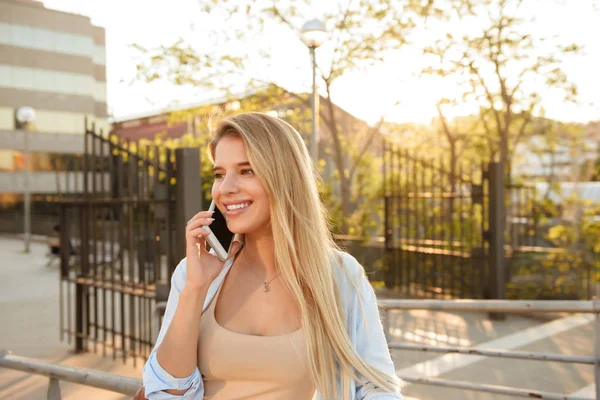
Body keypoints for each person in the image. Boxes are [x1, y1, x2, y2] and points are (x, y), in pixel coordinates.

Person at [140, 112, 402, 399]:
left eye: (246, 170)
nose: (225, 189)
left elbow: (378, 389)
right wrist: (194, 289)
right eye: (219, 174)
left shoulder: (340, 275)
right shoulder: (194, 274)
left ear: (285, 178)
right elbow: (163, 395)